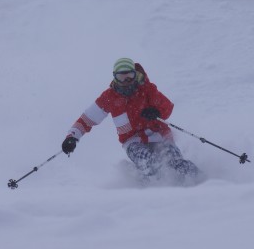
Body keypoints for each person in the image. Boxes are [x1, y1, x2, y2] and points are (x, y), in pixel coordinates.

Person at [62, 58, 201, 184]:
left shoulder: (146, 89)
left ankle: (201, 183)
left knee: (175, 163)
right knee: (150, 162)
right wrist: (72, 137)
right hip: (133, 142)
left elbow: (167, 107)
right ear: (114, 78)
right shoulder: (109, 97)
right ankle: (152, 188)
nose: (126, 81)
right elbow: (87, 119)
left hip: (160, 135)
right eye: (121, 77)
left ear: (135, 75)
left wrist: (156, 111)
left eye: (129, 76)